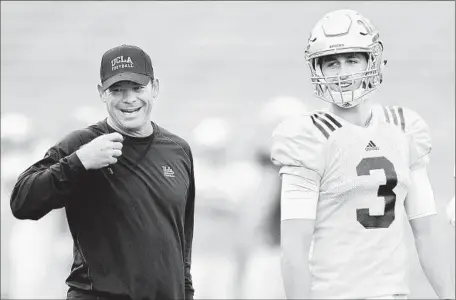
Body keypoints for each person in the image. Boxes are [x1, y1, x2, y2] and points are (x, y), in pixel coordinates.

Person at [271, 9, 455, 299]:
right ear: (318, 69)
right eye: (332, 63)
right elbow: (293, 248)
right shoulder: (307, 137)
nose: (343, 73)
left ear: (372, 60)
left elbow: (427, 232)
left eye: (352, 60)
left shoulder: (405, 128)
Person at [10, 44, 195, 300]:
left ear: (155, 88)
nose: (129, 99)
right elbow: (22, 201)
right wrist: (78, 162)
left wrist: (186, 293)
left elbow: (182, 241)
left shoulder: (178, 150)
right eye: (117, 90)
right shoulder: (83, 144)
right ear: (101, 93)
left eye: (138, 88)